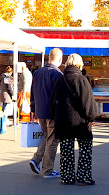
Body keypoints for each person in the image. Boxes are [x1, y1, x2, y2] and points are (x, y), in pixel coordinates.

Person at [51, 53, 97, 185]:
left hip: (63, 121)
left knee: (66, 151)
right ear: (79, 64)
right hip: (80, 122)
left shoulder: (60, 80)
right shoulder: (82, 80)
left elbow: (53, 101)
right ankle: (83, 176)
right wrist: (90, 118)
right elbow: (87, 102)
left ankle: (67, 177)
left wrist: (55, 117)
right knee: (85, 149)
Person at [29, 48, 63, 179]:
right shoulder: (57, 74)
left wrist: (33, 109)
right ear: (59, 59)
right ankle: (48, 170)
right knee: (53, 140)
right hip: (52, 112)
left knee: (46, 136)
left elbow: (32, 92)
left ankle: (36, 159)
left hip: (40, 111)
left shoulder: (37, 72)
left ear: (49, 57)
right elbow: (59, 97)